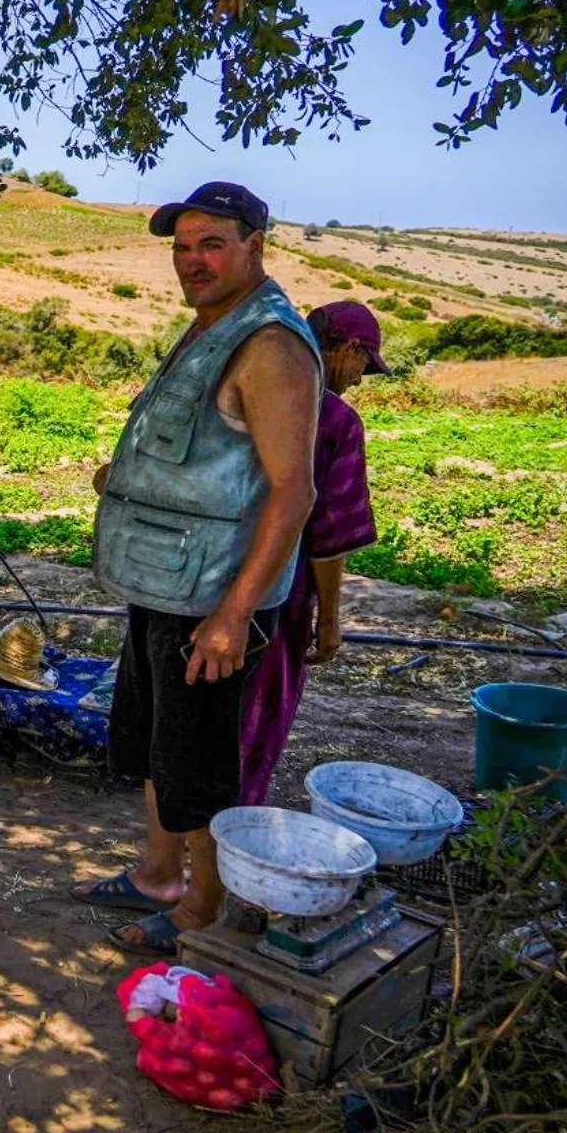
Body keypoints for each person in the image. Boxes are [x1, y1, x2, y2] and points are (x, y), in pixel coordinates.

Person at [70, 182, 321, 955]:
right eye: (182, 246)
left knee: (198, 769)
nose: (192, 261)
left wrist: (233, 615)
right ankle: (157, 873)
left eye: (211, 244)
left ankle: (200, 915)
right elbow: (214, 459)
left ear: (256, 246)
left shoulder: (270, 345)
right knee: (156, 747)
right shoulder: (212, 327)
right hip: (168, 584)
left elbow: (293, 490)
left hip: (210, 602)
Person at [238, 301, 382, 805]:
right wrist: (328, 620)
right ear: (348, 349)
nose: (362, 379)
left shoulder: (240, 389)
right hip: (281, 588)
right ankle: (232, 824)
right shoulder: (337, 421)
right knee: (260, 706)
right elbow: (330, 535)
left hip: (203, 571)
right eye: (365, 364)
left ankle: (179, 820)